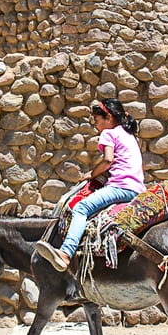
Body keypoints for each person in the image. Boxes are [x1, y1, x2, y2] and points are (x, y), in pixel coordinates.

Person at [35, 98, 144, 272]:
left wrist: (91, 174)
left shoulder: (109, 133)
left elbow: (108, 160)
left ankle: (65, 253)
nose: (95, 124)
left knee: (81, 208)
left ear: (108, 118)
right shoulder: (129, 135)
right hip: (137, 189)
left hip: (120, 187)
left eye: (96, 120)